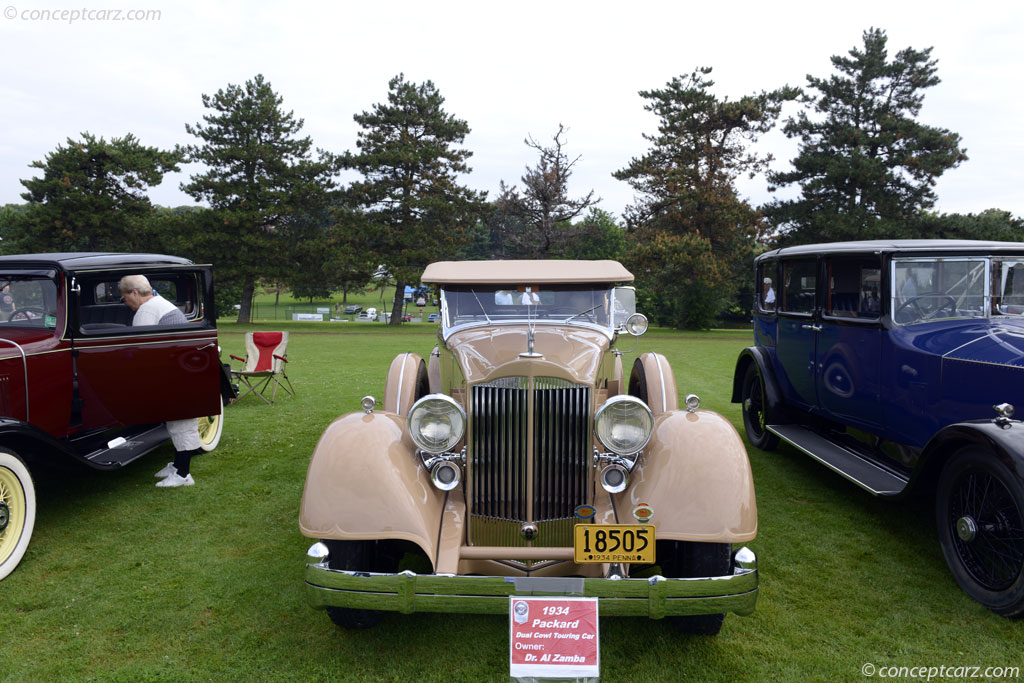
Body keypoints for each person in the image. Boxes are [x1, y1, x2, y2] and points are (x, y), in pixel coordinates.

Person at [118, 275, 202, 488]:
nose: (126, 303)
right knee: (177, 422)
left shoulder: (146, 311)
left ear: (135, 293)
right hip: (182, 370)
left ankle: (183, 474)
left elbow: (140, 349)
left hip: (175, 374)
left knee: (180, 423)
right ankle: (177, 466)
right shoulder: (161, 303)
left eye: (125, 297)